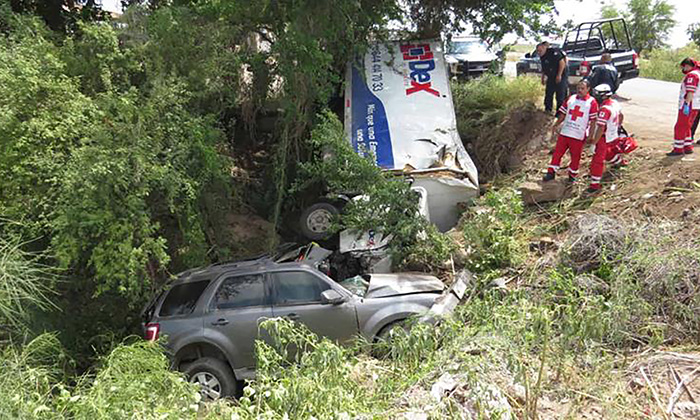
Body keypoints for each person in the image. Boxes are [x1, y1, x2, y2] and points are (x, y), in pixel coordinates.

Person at [543, 79, 598, 182]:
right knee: (557, 153)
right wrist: (556, 125)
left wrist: (591, 135)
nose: (580, 90)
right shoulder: (571, 98)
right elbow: (563, 114)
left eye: (582, 88)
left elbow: (593, 121)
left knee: (575, 156)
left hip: (578, 135)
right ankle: (551, 172)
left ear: (588, 89)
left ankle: (572, 175)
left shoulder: (592, 102)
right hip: (565, 132)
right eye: (578, 88)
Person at [586, 84, 623, 193]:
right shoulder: (615, 103)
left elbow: (601, 128)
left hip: (604, 137)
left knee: (597, 160)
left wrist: (594, 143)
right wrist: (617, 127)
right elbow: (621, 116)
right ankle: (619, 161)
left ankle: (594, 184)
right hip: (613, 135)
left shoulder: (604, 109)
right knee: (607, 153)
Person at [668, 57, 700, 156]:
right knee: (687, 127)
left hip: (689, 105)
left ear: (687, 66)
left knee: (680, 127)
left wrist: (686, 105)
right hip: (695, 105)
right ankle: (687, 147)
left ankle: (678, 149)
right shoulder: (697, 73)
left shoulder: (692, 75)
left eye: (684, 67)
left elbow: (690, 91)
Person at [537, 41, 568, 114]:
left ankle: (560, 112)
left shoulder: (553, 53)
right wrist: (543, 78)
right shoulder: (542, 56)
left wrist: (559, 75)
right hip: (551, 76)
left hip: (561, 74)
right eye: (537, 51)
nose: (539, 52)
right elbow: (544, 67)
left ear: (545, 48)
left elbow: (562, 63)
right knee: (549, 93)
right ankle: (548, 110)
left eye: (540, 50)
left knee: (560, 95)